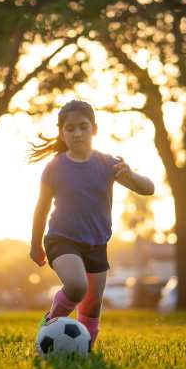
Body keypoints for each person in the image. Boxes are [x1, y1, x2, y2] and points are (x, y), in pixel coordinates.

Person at [28, 99, 155, 348]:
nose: (77, 133)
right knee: (76, 287)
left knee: (92, 306)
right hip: (62, 240)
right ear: (62, 133)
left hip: (97, 244)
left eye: (83, 127)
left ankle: (83, 350)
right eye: (70, 128)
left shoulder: (107, 164)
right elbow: (41, 209)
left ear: (94, 129)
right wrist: (35, 244)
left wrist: (131, 175)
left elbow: (148, 189)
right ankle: (50, 323)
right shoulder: (54, 168)